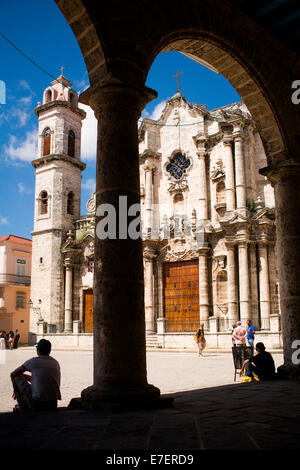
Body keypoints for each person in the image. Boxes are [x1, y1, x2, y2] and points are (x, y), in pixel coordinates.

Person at [10, 338, 61, 411]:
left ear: (38, 349)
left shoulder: (33, 361)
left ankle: (23, 407)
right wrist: (24, 376)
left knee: (16, 378)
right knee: (20, 376)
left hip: (37, 404)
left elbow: (13, 374)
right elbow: (40, 380)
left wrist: (15, 390)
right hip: (52, 404)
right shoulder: (55, 363)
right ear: (49, 350)